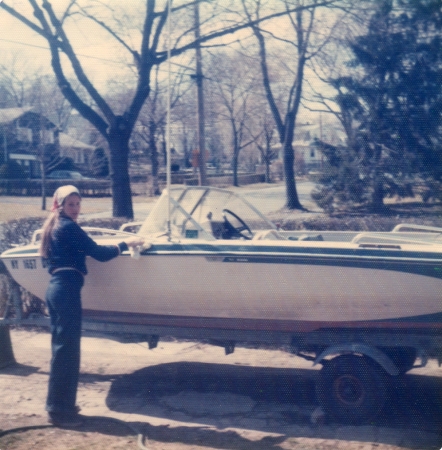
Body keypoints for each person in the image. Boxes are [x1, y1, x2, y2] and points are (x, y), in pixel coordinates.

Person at [39, 185, 144, 428]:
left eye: (78, 204)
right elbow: (100, 253)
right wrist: (126, 243)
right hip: (66, 292)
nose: (75, 209)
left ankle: (59, 407)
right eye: (71, 204)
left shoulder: (54, 227)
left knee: (62, 350)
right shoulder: (67, 226)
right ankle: (60, 412)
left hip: (56, 289)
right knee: (67, 351)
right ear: (60, 206)